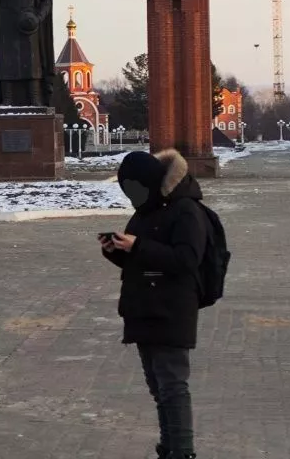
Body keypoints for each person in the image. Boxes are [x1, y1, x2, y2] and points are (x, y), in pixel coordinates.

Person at [100, 149, 209, 459]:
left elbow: (187, 260)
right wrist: (116, 251)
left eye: (135, 189)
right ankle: (168, 447)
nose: (132, 196)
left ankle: (183, 452)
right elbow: (141, 258)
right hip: (143, 308)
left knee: (173, 385)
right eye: (127, 190)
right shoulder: (144, 212)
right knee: (157, 386)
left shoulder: (186, 210)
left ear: (150, 182)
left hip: (171, 309)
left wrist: (138, 245)